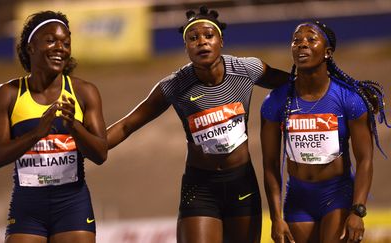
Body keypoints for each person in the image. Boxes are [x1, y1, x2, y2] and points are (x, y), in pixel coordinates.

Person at [106, 5, 289, 243]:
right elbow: (127, 125)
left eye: (208, 36)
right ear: (186, 47)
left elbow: (296, 84)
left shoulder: (246, 69)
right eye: (193, 38)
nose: (201, 42)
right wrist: (83, 147)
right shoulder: (175, 85)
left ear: (220, 40)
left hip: (241, 183)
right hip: (200, 187)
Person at [260, 21, 390, 243]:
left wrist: (358, 210)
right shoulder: (276, 102)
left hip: (337, 195)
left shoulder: (349, 99)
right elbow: (270, 165)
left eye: (311, 39)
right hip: (298, 198)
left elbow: (365, 159)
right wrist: (275, 217)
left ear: (328, 52)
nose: (302, 44)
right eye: (296, 40)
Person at [0, 11, 108, 243]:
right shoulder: (7, 95)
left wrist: (74, 126)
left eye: (66, 43)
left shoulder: (84, 92)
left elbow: (101, 153)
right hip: (27, 209)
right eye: (51, 40)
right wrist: (36, 134)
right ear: (30, 47)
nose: (60, 47)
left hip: (73, 206)